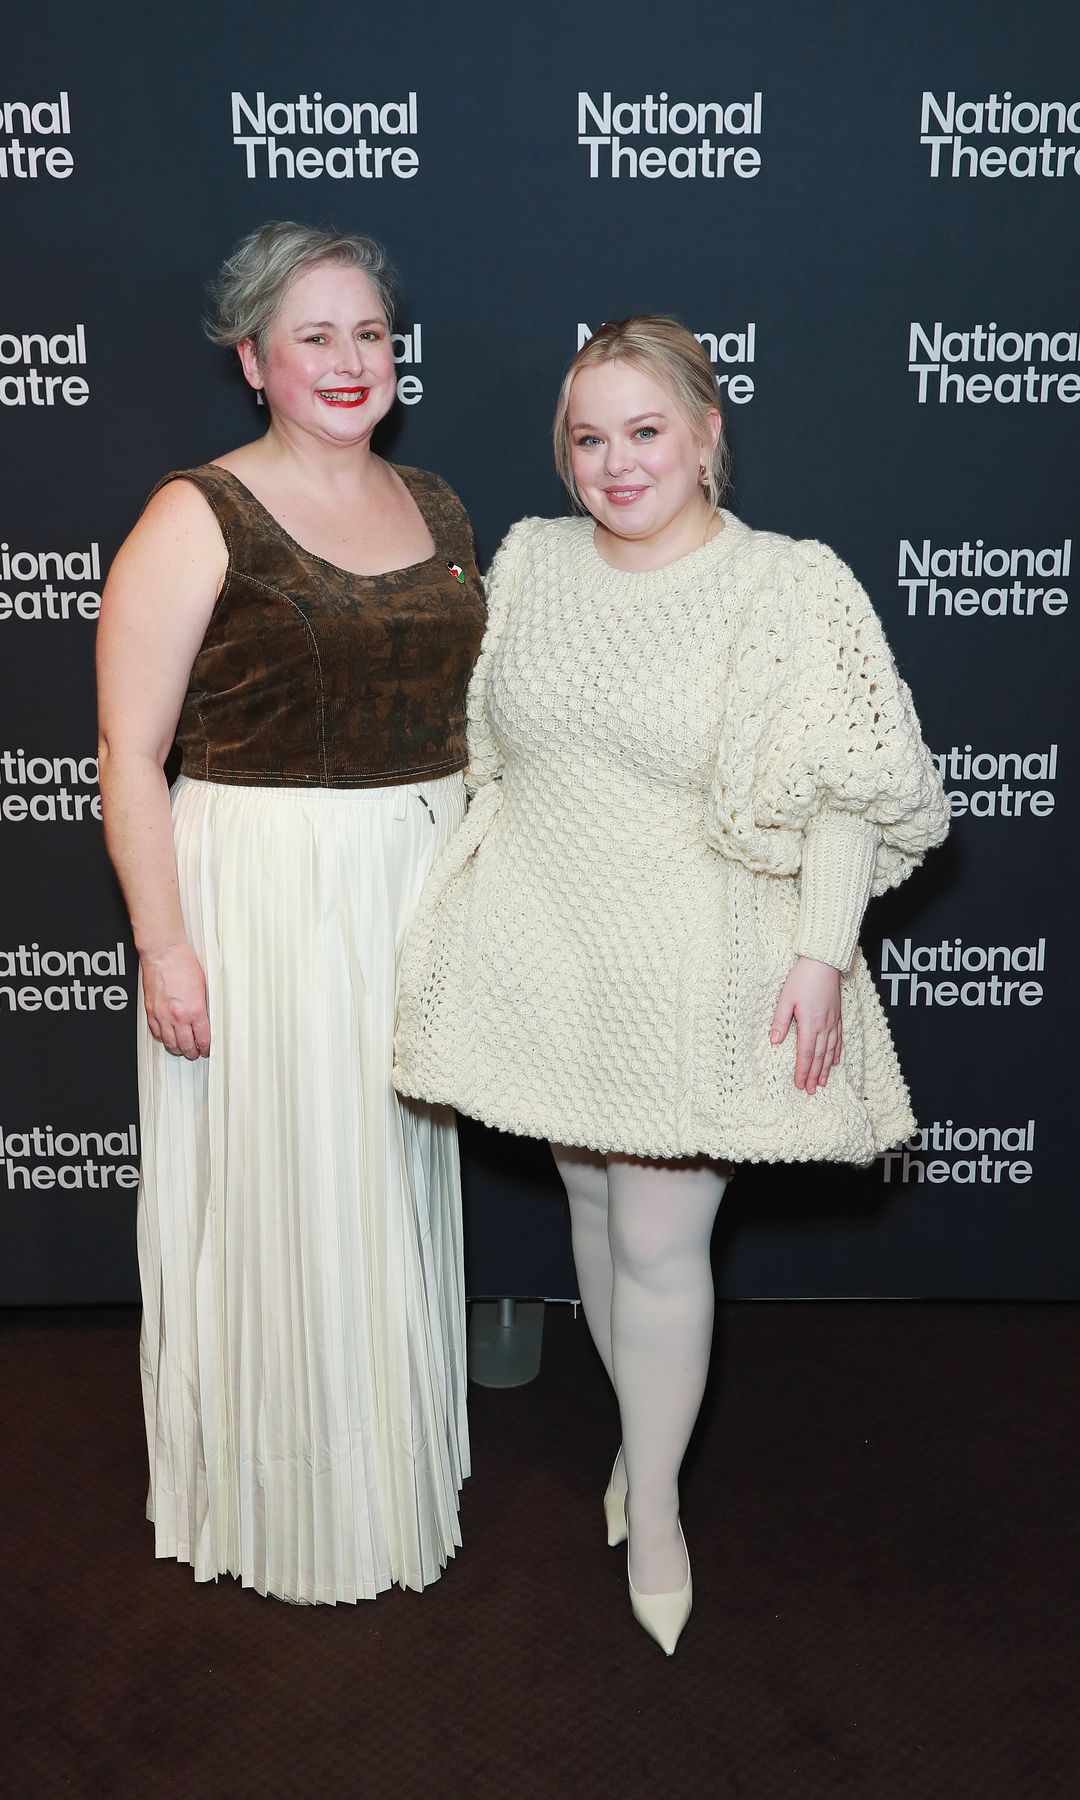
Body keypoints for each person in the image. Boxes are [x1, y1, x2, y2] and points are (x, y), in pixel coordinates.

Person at [394, 315, 949, 1652]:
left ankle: (655, 1509)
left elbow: (849, 789)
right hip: (548, 950)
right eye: (589, 438)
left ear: (707, 434)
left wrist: (821, 955)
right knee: (594, 1210)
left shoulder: (787, 586)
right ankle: (640, 1443)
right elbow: (493, 754)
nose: (617, 463)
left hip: (696, 964)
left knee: (658, 1241)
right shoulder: (530, 561)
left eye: (646, 431)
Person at [97, 221, 485, 1604]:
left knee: (381, 1189)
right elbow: (130, 755)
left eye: (369, 332)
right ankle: (285, 1509)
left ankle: (386, 1481)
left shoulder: (437, 505)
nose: (348, 358)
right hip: (264, 900)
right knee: (286, 1197)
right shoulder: (195, 514)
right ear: (253, 359)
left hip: (410, 894)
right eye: (313, 335)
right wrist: (165, 946)